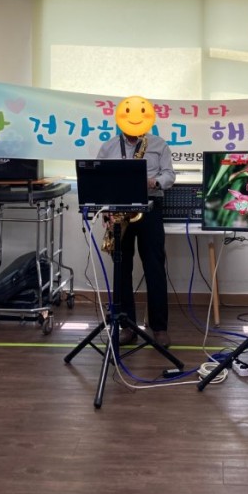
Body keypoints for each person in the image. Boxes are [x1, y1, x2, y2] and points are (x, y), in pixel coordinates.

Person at [97, 128, 175, 348]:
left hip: (150, 206)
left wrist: (154, 182)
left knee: (155, 267)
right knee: (121, 269)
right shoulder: (109, 146)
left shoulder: (158, 144)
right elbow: (100, 179)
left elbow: (169, 175)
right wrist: (105, 210)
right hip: (119, 208)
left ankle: (159, 328)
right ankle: (127, 326)